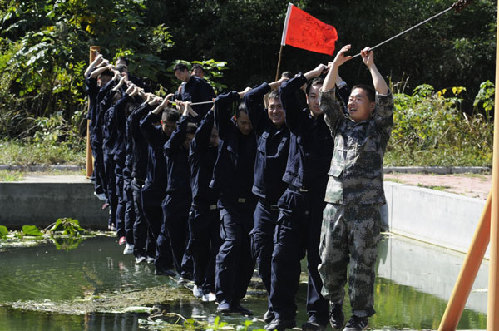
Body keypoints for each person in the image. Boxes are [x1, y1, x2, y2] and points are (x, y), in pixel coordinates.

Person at [318, 45, 393, 331]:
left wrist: (371, 66)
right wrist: (335, 65)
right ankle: (335, 304)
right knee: (328, 260)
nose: (351, 102)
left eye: (358, 99)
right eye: (350, 98)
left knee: (362, 266)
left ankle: (359, 317)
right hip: (335, 205)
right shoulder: (339, 126)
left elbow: (386, 95)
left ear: (371, 106)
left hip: (365, 210)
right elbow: (326, 98)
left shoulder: (379, 127)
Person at [265, 65, 333, 331]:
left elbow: (348, 93)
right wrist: (311, 73)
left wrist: (334, 74)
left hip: (321, 202)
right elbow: (285, 89)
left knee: (320, 263)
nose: (317, 102)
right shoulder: (298, 120)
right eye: (313, 96)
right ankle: (282, 314)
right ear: (307, 98)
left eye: (322, 97)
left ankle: (317, 317)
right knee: (282, 258)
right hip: (293, 199)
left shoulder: (336, 124)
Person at [243, 76, 290, 324]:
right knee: (262, 256)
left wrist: (290, 89)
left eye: (280, 106)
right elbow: (250, 97)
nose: (275, 111)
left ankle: (281, 308)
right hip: (262, 206)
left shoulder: (294, 130)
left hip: (284, 207)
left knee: (280, 260)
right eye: (272, 106)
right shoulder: (263, 128)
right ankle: (274, 304)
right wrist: (274, 86)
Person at [211, 90, 256, 315]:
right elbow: (220, 103)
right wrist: (241, 95)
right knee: (231, 243)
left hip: (250, 202)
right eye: (243, 123)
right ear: (236, 120)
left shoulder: (259, 135)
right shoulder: (228, 133)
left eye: (250, 123)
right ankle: (223, 297)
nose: (246, 127)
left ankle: (237, 298)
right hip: (228, 201)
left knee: (248, 250)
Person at [188, 107, 221, 302]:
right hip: (199, 208)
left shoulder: (222, 151)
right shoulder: (197, 152)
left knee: (217, 249)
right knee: (199, 248)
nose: (213, 139)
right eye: (211, 135)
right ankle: (198, 282)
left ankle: (210, 285)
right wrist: (212, 111)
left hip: (217, 209)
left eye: (216, 136)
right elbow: (201, 134)